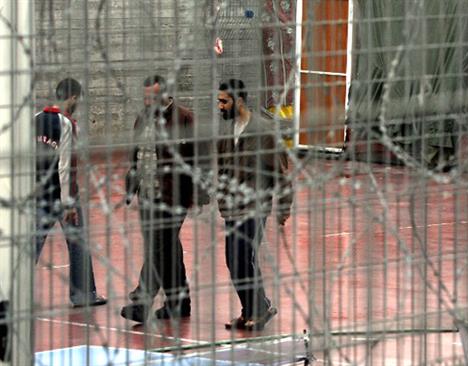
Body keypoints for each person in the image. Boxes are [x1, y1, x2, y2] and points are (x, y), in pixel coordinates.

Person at [121, 75, 207, 323]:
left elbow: (199, 158)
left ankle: (142, 300)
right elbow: (136, 155)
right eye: (145, 97)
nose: (148, 101)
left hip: (173, 198)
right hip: (146, 195)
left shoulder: (185, 119)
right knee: (166, 250)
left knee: (158, 247)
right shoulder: (142, 119)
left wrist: (198, 195)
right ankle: (179, 304)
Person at [216, 79, 293, 331]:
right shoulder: (227, 131)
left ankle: (259, 309)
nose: (219, 106)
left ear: (238, 101)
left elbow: (281, 173)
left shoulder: (264, 132)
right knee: (233, 261)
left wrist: (283, 208)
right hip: (232, 208)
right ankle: (252, 309)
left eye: (224, 101)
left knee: (243, 259)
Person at [33, 78, 107, 308]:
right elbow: (64, 166)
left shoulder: (34, 120)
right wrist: (67, 204)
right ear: (73, 97)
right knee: (78, 243)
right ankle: (83, 294)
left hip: (37, 194)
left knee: (30, 246)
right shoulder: (66, 124)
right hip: (62, 195)